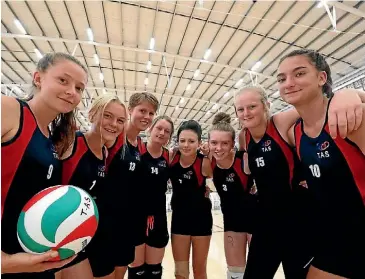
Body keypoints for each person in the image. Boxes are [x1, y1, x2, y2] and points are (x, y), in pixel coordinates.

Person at [234, 84, 364, 279]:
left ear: (266, 105)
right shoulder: (243, 137)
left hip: (297, 221)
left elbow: (321, 104)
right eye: (240, 109)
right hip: (266, 223)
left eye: (252, 106)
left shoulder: (281, 122)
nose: (246, 113)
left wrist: (349, 93)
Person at [277, 49, 365, 279]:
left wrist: (353, 93)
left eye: (299, 74)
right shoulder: (295, 132)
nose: (288, 83)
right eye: (282, 78)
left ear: (321, 78)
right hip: (333, 239)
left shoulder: (351, 119)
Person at [1, 52, 88, 277]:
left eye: (79, 88)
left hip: (35, 261)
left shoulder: (52, 137)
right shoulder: (9, 110)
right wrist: (5, 261)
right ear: (38, 78)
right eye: (63, 80)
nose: (72, 91)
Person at [54, 94, 127, 279]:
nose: (113, 124)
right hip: (60, 236)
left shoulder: (104, 152)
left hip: (91, 235)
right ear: (93, 114)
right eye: (107, 116)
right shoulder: (71, 142)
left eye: (120, 120)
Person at [98, 92, 159, 279]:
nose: (146, 117)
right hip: (105, 225)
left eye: (151, 113)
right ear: (130, 110)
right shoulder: (113, 138)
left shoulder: (140, 144)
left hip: (128, 224)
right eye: (142, 111)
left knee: (121, 273)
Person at [208, 112, 257, 279]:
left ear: (232, 144)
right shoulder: (209, 162)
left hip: (256, 222)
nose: (218, 148)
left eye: (224, 143)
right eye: (214, 143)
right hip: (232, 222)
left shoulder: (243, 159)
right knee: (235, 273)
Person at [131, 115, 174, 279]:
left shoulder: (169, 157)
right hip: (135, 217)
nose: (162, 133)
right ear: (150, 129)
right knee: (137, 270)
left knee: (154, 269)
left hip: (158, 217)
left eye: (167, 131)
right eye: (159, 128)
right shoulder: (136, 150)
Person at [169, 120, 212, 279]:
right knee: (180, 272)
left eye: (191, 141)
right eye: (182, 140)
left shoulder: (204, 161)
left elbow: (215, 180)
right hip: (179, 221)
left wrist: (210, 153)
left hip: (202, 221)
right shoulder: (172, 157)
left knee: (199, 272)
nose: (186, 145)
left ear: (199, 143)